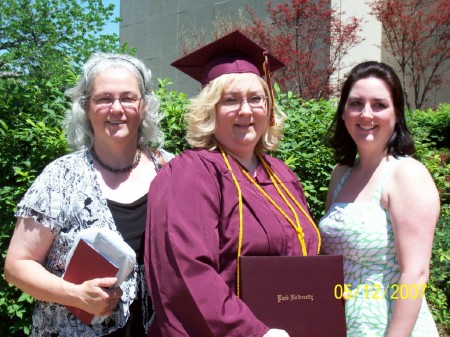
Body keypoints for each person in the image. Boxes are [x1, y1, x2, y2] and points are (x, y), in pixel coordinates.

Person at [144, 30, 321, 337]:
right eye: (230, 100)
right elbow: (186, 274)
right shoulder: (188, 174)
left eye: (256, 98)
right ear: (210, 109)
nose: (245, 110)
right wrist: (255, 333)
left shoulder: (282, 175)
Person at [4, 53, 173, 337]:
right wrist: (75, 294)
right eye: (104, 98)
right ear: (86, 107)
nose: (116, 108)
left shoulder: (170, 168)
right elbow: (17, 266)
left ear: (144, 106)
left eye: (128, 98)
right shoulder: (60, 176)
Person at [319, 61, 440, 336]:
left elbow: (416, 273)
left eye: (379, 104)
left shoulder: (406, 174)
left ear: (397, 113)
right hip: (342, 324)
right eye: (356, 103)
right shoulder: (341, 175)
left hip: (390, 326)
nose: (366, 114)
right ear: (343, 112)